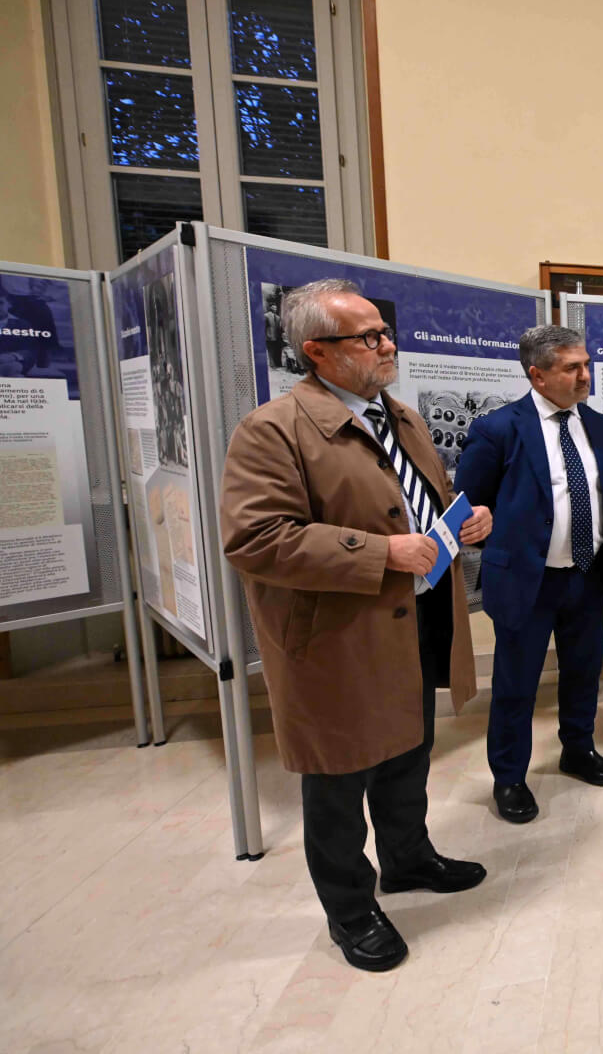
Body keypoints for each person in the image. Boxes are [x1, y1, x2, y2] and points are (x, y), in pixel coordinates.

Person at [219, 278, 493, 973]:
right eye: (368, 337)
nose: (387, 345)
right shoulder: (272, 429)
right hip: (336, 639)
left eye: (385, 332)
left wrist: (465, 517)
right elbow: (255, 539)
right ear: (316, 350)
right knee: (338, 779)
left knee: (407, 752)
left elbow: (417, 498)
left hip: (413, 617)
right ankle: (351, 910)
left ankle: (408, 858)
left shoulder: (402, 417)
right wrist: (380, 553)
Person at [455, 325, 603, 825]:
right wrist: (484, 530)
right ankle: (509, 777)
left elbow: (600, 493)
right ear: (538, 375)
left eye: (586, 364)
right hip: (528, 581)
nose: (585, 376)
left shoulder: (601, 426)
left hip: (587, 574)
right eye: (572, 368)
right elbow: (470, 506)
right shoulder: (498, 429)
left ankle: (578, 749)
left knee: (584, 672)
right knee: (516, 684)